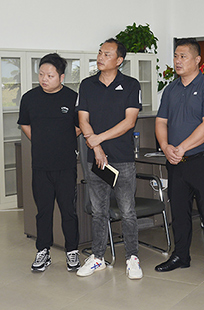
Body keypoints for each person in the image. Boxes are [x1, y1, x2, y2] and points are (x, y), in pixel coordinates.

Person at [154, 38, 204, 287]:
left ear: (197, 60)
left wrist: (181, 147)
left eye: (183, 56)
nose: (178, 61)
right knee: (179, 211)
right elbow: (161, 122)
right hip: (175, 161)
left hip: (201, 160)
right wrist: (166, 147)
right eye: (176, 56)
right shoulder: (170, 90)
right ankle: (181, 256)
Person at [76, 38, 143, 280]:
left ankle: (132, 258)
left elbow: (129, 122)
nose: (100, 57)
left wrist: (98, 139)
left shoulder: (131, 85)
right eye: (100, 53)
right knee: (99, 211)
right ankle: (97, 257)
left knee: (127, 211)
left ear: (119, 60)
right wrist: (96, 148)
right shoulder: (87, 85)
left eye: (107, 54)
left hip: (122, 157)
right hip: (96, 159)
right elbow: (83, 120)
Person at [18, 53, 81, 273]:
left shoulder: (73, 98)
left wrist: (62, 140)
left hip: (65, 165)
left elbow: (80, 126)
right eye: (41, 74)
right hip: (41, 165)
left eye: (50, 75)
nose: (44, 79)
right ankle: (43, 251)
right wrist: (41, 140)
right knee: (43, 211)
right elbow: (25, 124)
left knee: (68, 211)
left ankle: (72, 251)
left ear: (61, 77)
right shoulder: (29, 98)